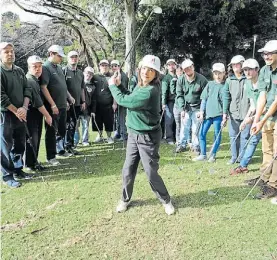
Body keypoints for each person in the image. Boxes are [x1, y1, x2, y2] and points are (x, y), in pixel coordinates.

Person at [108, 55, 175, 215]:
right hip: (133, 134)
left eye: (151, 70)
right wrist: (120, 86)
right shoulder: (141, 85)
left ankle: (166, 200)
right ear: (140, 69)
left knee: (151, 172)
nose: (147, 72)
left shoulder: (151, 90)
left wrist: (112, 86)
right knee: (128, 169)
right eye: (145, 68)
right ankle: (125, 199)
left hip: (148, 137)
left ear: (156, 74)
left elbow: (126, 101)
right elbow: (130, 96)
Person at [0, 42, 32, 187]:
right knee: (5, 146)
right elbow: (1, 97)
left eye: (12, 51)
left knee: (20, 143)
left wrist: (24, 108)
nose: (10, 54)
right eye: (6, 52)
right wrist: (16, 111)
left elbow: (27, 89)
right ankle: (7, 176)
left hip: (21, 113)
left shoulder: (19, 70)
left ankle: (19, 169)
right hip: (5, 114)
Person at [250, 40, 277, 199]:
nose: (266, 56)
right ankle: (264, 178)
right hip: (268, 117)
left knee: (276, 152)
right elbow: (262, 95)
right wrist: (256, 119)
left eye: (269, 53)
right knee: (266, 149)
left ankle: (274, 185)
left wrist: (261, 119)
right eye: (264, 54)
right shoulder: (265, 71)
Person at [230, 59, 262, 174]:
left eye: (250, 70)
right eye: (245, 70)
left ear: (257, 70)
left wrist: (253, 119)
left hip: (271, 116)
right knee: (253, 139)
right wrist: (245, 120)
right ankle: (243, 165)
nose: (247, 72)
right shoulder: (248, 83)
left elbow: (266, 105)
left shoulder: (263, 82)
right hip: (259, 116)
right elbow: (253, 104)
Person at [40, 45, 70, 166]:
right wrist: (52, 105)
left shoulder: (58, 68)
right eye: (59, 56)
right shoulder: (45, 67)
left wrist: (67, 99)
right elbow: (43, 87)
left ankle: (60, 150)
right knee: (51, 131)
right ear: (51, 54)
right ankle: (51, 156)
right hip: (52, 107)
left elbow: (62, 86)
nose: (61, 59)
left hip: (62, 104)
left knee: (61, 129)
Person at [192, 63, 228, 162]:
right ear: (213, 73)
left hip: (219, 115)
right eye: (215, 73)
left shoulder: (225, 86)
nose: (217, 75)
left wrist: (225, 116)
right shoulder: (210, 84)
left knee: (217, 134)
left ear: (224, 73)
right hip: (207, 115)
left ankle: (213, 154)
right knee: (201, 134)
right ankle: (203, 154)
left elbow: (226, 102)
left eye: (220, 73)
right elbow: (204, 99)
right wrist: (201, 111)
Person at [25, 55, 52, 172]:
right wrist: (47, 115)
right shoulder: (30, 80)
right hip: (31, 114)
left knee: (36, 138)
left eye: (40, 66)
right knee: (32, 139)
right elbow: (37, 101)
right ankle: (31, 164)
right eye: (34, 66)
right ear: (29, 67)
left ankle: (34, 161)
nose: (38, 69)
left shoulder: (36, 79)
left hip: (36, 114)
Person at [176, 59, 208, 153]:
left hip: (198, 107)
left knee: (196, 128)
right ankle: (182, 144)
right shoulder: (181, 79)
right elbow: (179, 95)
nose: (188, 70)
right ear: (183, 70)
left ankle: (195, 145)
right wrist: (182, 109)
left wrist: (202, 110)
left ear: (193, 67)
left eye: (190, 67)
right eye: (186, 69)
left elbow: (206, 95)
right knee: (184, 127)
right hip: (186, 108)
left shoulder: (202, 79)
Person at [224, 55, 250, 165]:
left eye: (237, 64)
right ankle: (234, 157)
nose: (235, 67)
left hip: (247, 114)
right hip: (233, 114)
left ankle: (242, 158)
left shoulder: (249, 79)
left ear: (243, 64)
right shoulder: (229, 80)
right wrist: (225, 113)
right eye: (233, 65)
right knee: (233, 136)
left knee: (245, 137)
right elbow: (226, 97)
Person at [63, 51, 86, 155]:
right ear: (68, 59)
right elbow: (62, 88)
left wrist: (83, 101)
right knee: (66, 125)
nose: (74, 58)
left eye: (76, 57)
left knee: (73, 125)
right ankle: (64, 147)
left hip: (77, 105)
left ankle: (70, 146)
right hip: (67, 104)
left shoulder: (80, 73)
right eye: (72, 57)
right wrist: (66, 100)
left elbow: (82, 88)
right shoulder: (63, 70)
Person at [92, 59, 114, 144]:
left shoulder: (111, 77)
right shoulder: (95, 77)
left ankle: (109, 137)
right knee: (98, 121)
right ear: (99, 66)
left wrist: (114, 103)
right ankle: (100, 136)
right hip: (97, 105)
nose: (104, 67)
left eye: (106, 65)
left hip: (108, 104)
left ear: (108, 67)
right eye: (102, 65)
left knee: (108, 121)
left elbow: (114, 91)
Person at [74, 66, 97, 146]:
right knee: (75, 126)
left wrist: (93, 111)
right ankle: (75, 141)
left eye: (91, 74)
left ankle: (85, 141)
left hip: (87, 111)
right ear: (83, 73)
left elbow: (94, 100)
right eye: (87, 73)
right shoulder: (77, 83)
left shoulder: (93, 86)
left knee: (86, 127)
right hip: (76, 109)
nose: (89, 75)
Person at [110, 60, 129, 141]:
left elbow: (121, 89)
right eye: (112, 66)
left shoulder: (123, 76)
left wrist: (116, 102)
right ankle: (118, 133)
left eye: (116, 66)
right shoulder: (115, 75)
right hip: (117, 99)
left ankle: (123, 135)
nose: (114, 67)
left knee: (121, 118)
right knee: (117, 118)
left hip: (122, 100)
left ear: (119, 66)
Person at [162, 59, 177, 145]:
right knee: (169, 120)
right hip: (169, 102)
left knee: (175, 120)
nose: (171, 66)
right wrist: (163, 103)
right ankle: (169, 138)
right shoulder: (166, 78)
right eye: (169, 65)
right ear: (167, 67)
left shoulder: (177, 76)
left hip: (177, 101)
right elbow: (164, 92)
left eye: (172, 64)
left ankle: (175, 137)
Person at [172, 64, 185, 145]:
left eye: (180, 71)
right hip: (176, 106)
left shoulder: (185, 79)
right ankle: (178, 141)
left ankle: (187, 140)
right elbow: (173, 91)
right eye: (177, 71)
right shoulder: (174, 80)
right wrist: (173, 83)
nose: (179, 73)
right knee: (178, 125)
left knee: (185, 125)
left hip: (184, 105)